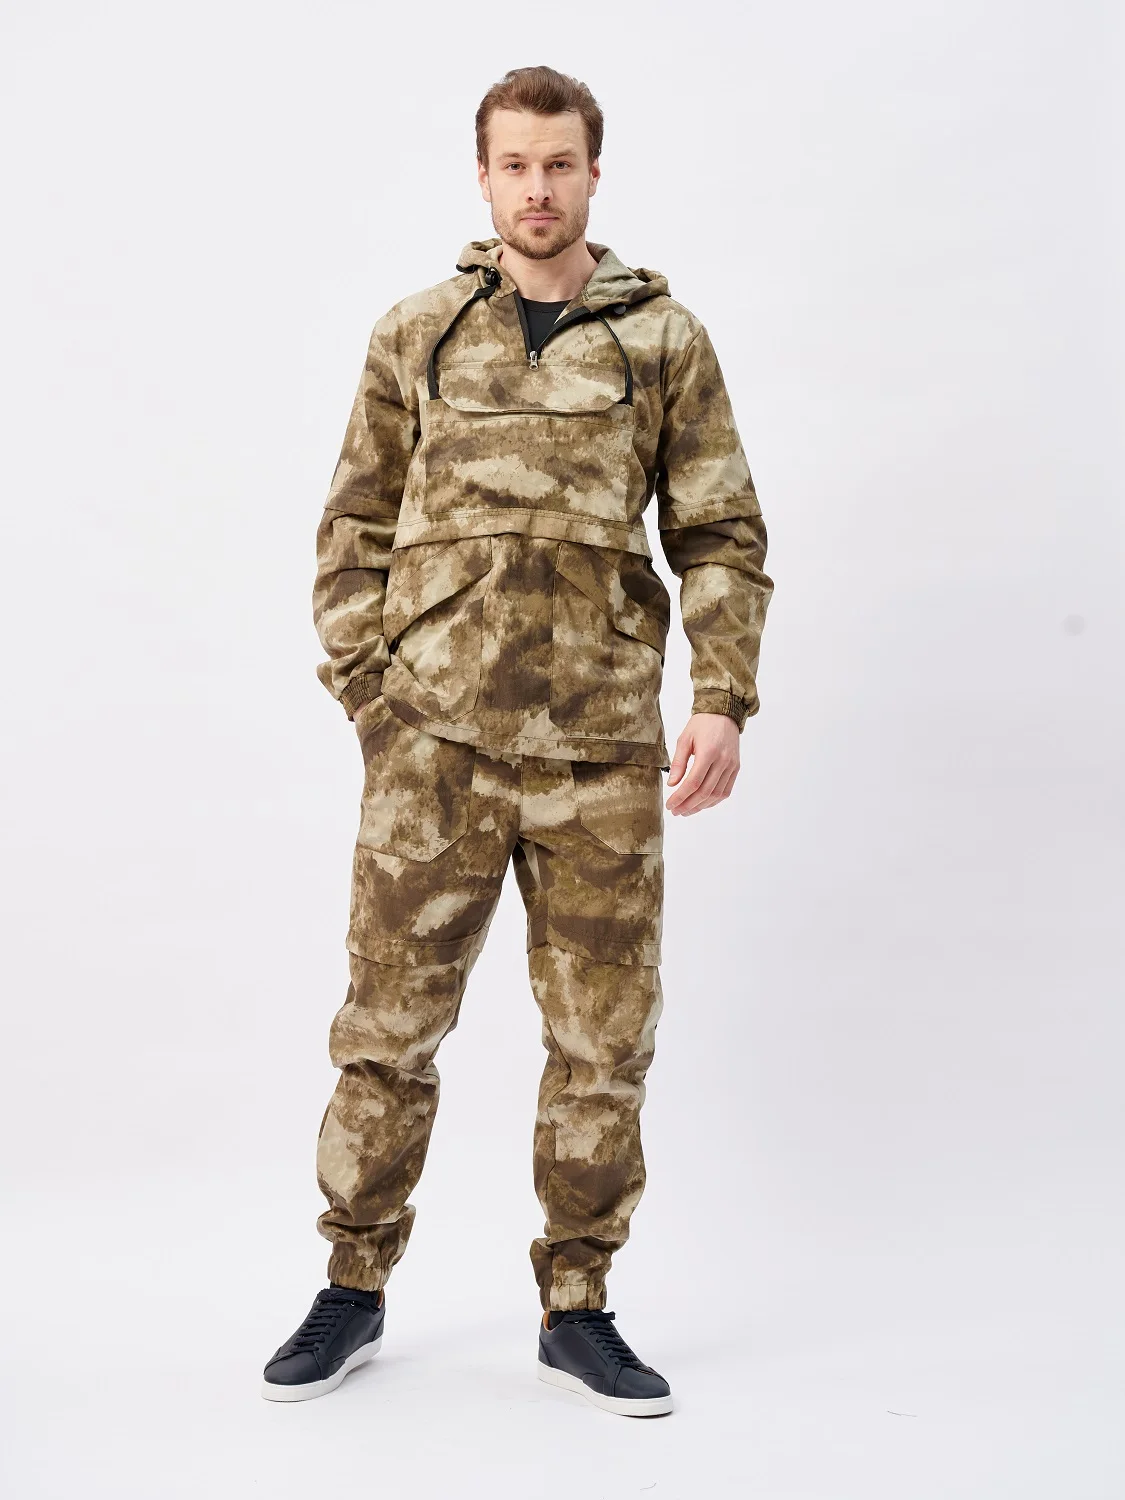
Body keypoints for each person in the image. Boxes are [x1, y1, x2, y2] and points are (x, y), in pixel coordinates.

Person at [261, 64, 773, 1417]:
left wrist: (719, 697)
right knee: (386, 1032)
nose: (538, 189)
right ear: (482, 177)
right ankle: (352, 1285)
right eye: (515, 166)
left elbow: (721, 534)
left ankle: (578, 1304)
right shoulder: (417, 333)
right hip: (431, 752)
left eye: (560, 164)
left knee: (603, 1044)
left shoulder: (664, 340)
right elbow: (350, 528)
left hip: (600, 755)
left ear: (594, 173)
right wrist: (376, 701)